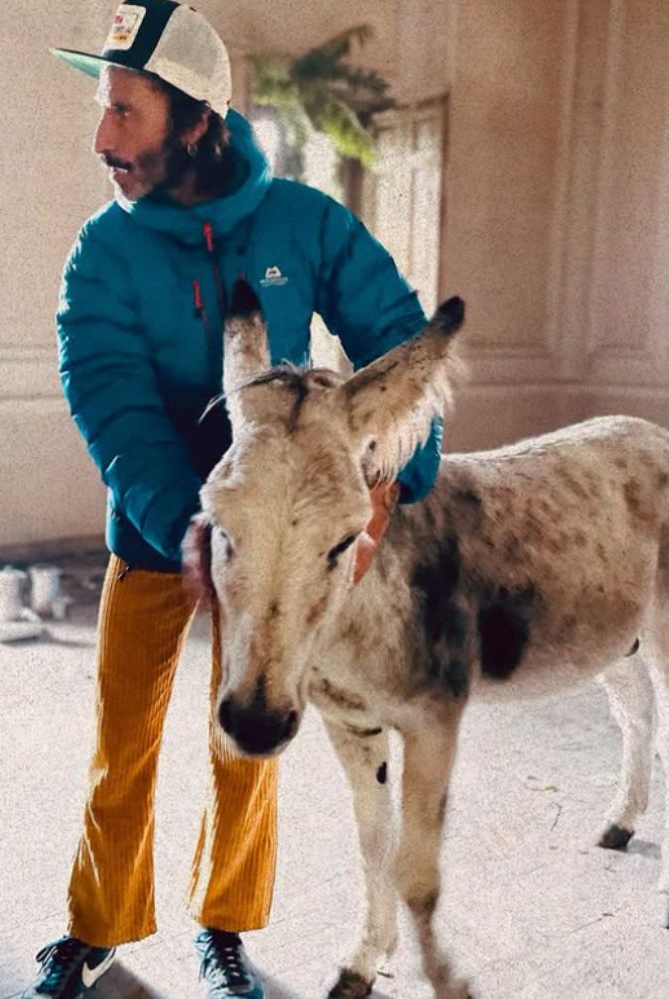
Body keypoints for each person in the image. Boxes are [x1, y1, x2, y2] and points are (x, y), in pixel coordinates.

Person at [23, 2, 443, 997]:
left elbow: (400, 343)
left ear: (197, 124)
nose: (102, 138)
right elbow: (111, 401)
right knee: (122, 741)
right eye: (102, 108)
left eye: (125, 111)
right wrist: (193, 526)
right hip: (157, 533)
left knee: (249, 734)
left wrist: (395, 478)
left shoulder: (303, 222)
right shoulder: (102, 253)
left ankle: (223, 929)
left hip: (282, 547)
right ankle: (96, 925)